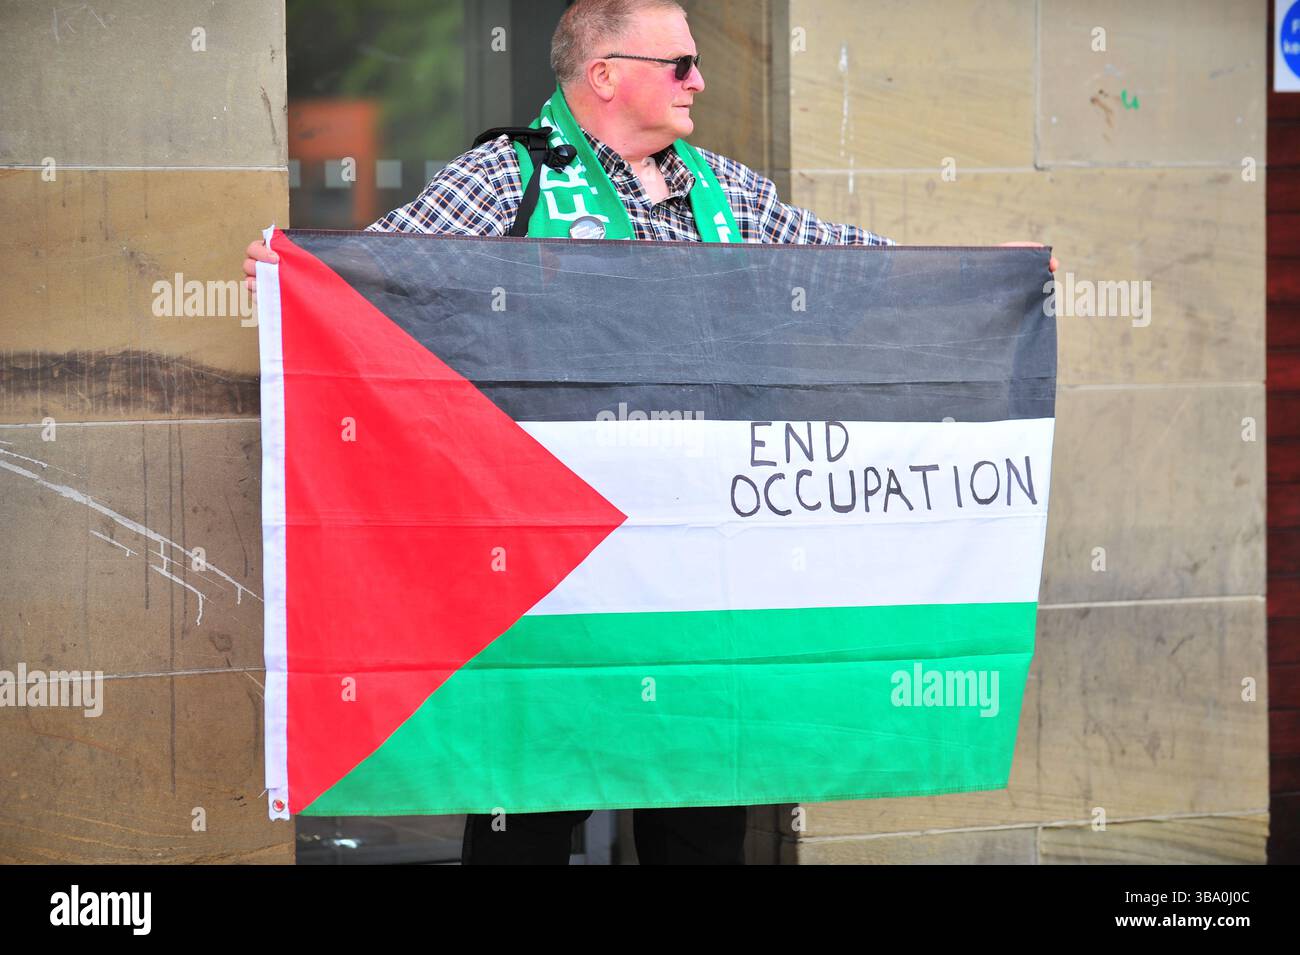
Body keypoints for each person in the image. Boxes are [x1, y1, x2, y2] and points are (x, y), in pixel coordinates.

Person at [243, 0, 1057, 865]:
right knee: (530, 808)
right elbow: (379, 279)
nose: (699, 81)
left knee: (701, 819)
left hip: (700, 576)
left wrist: (980, 276)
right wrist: (295, 274)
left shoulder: (726, 189)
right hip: (555, 572)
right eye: (680, 64)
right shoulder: (506, 176)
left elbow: (849, 269)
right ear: (604, 75)